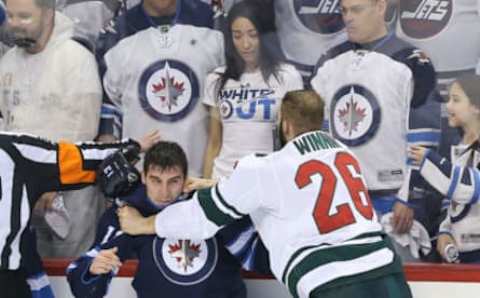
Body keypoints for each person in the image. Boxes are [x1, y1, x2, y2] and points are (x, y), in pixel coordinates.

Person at [117, 90, 412, 298]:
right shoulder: (344, 155)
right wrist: (217, 186)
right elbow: (298, 196)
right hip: (388, 271)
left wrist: (142, 224)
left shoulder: (267, 167)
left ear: (285, 124)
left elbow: (200, 219)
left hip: (335, 283)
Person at [310, 0, 441, 261]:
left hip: (391, 202)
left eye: (356, 10)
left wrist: (411, 197)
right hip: (339, 201)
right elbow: (316, 135)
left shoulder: (413, 62)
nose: (348, 18)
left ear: (380, 7)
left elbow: (424, 135)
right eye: (344, 11)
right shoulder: (329, 61)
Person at [67, 141, 269, 298]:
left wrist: (222, 190)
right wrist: (92, 271)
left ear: (186, 178)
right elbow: (82, 283)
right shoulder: (127, 213)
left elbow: (259, 261)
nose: (164, 192)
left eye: (173, 181)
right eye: (156, 181)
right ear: (143, 177)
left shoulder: (211, 204)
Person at [0, 0, 105, 258]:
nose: (14, 24)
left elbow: (83, 129)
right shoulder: (8, 61)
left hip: (66, 191)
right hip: (18, 190)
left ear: (48, 14)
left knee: (65, 272)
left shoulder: (76, 58)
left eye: (24, 17)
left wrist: (51, 183)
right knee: (21, 267)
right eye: (11, 16)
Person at [0, 130, 160, 298]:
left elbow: (78, 160)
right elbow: (81, 159)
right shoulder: (14, 148)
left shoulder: (15, 150)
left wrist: (132, 148)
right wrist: (132, 147)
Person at [96, 0, 222, 177]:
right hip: (140, 183)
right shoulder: (117, 33)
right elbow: (108, 115)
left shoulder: (212, 22)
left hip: (201, 178)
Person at [203, 0, 303, 179]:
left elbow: (295, 141)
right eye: (237, 36)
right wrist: (202, 191)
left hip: (268, 179)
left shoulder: (287, 76)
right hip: (223, 179)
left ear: (264, 35)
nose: (245, 44)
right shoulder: (216, 79)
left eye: (252, 34)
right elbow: (214, 143)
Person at [409, 74, 480, 264]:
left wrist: (429, 159)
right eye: (448, 99)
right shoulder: (458, 145)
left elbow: (469, 188)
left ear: (476, 107)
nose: (448, 106)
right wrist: (445, 231)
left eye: (456, 100)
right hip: (462, 255)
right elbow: (456, 204)